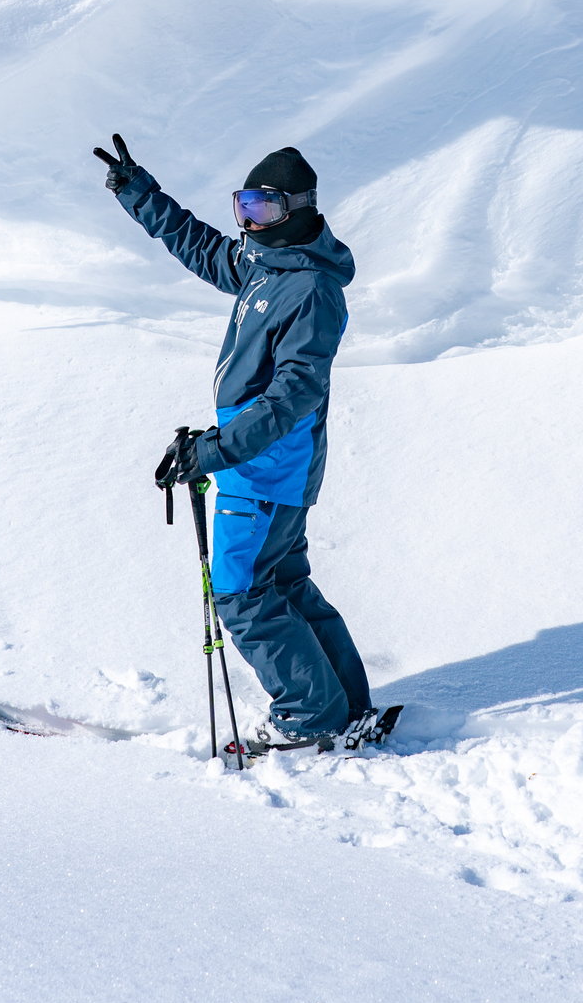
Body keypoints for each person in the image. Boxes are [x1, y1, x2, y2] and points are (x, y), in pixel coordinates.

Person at [93, 134, 373, 753]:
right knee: (285, 584)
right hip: (264, 462)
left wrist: (216, 451)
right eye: (243, 204)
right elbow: (199, 246)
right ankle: (345, 703)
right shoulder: (266, 265)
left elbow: (295, 392)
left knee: (242, 595)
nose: (248, 220)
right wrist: (140, 194)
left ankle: (310, 714)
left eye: (264, 207)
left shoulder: (313, 291)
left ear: (299, 208)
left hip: (267, 465)